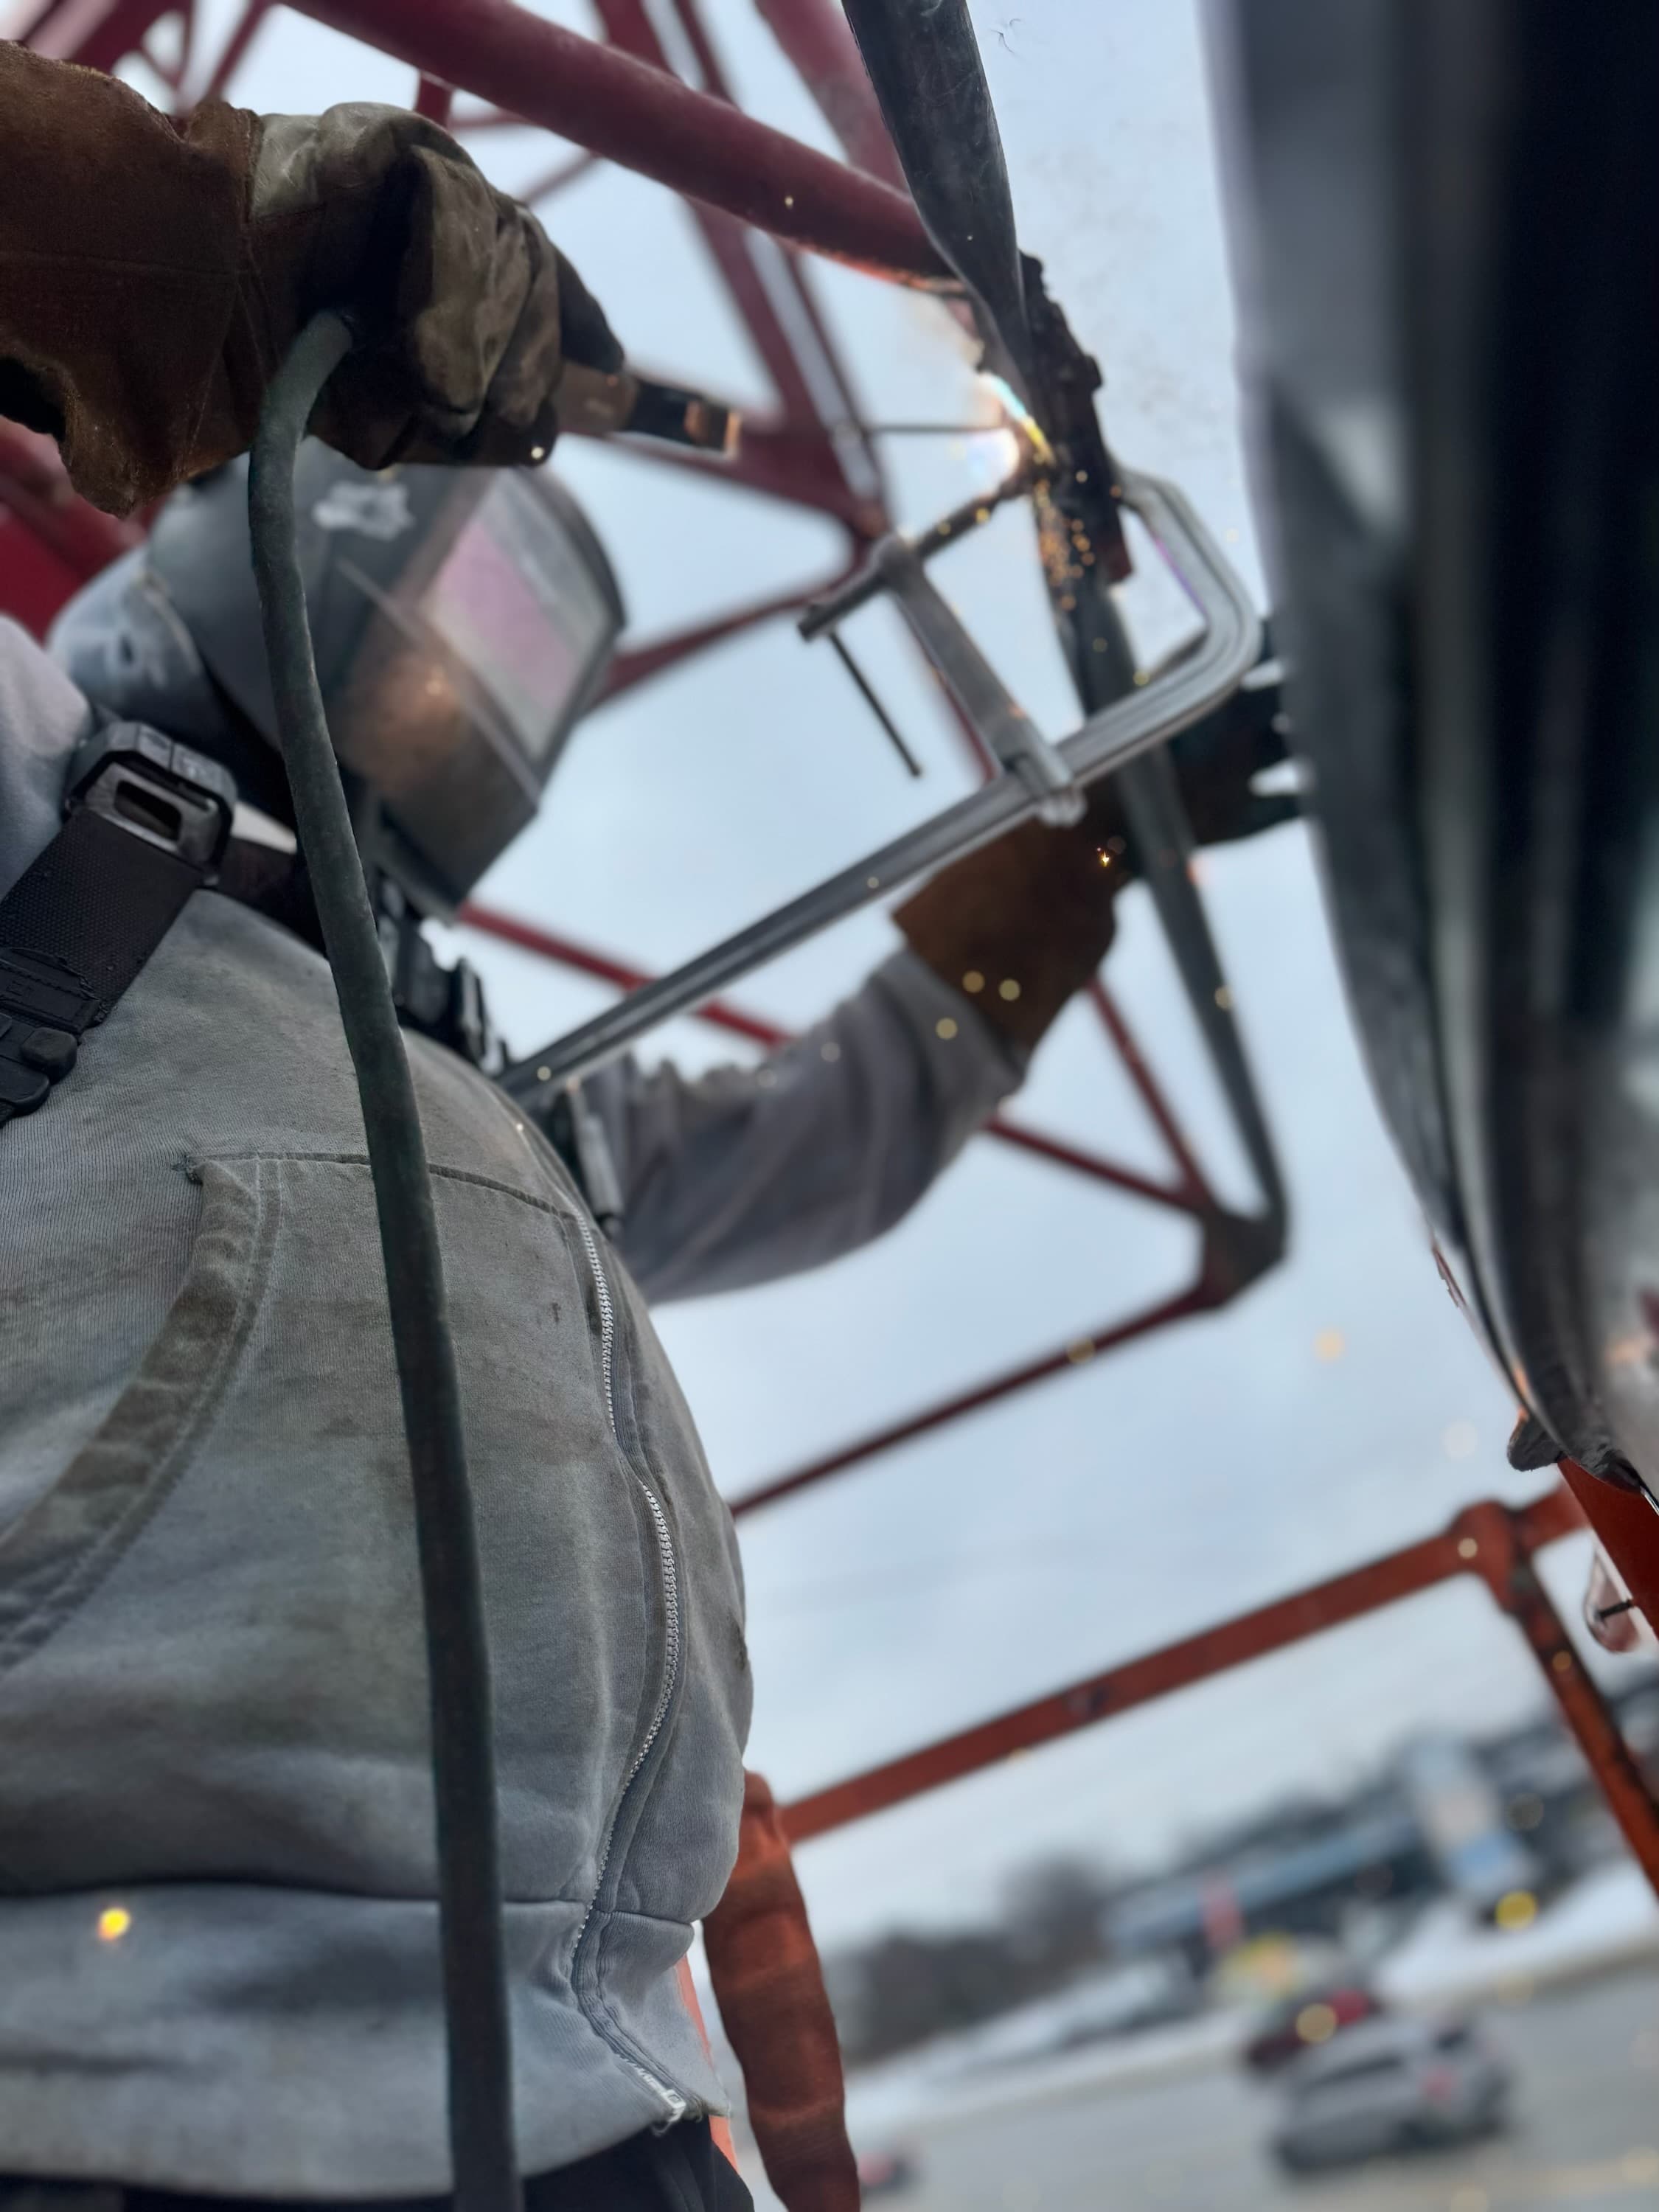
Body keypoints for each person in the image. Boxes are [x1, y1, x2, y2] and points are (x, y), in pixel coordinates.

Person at [0, 42, 1290, 2212]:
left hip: (588, 2119)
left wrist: (1068, 865)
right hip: (112, 2116)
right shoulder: (35, 806)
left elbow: (822, 1141)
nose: (445, 671)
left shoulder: (428, 1074)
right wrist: (203, 246)